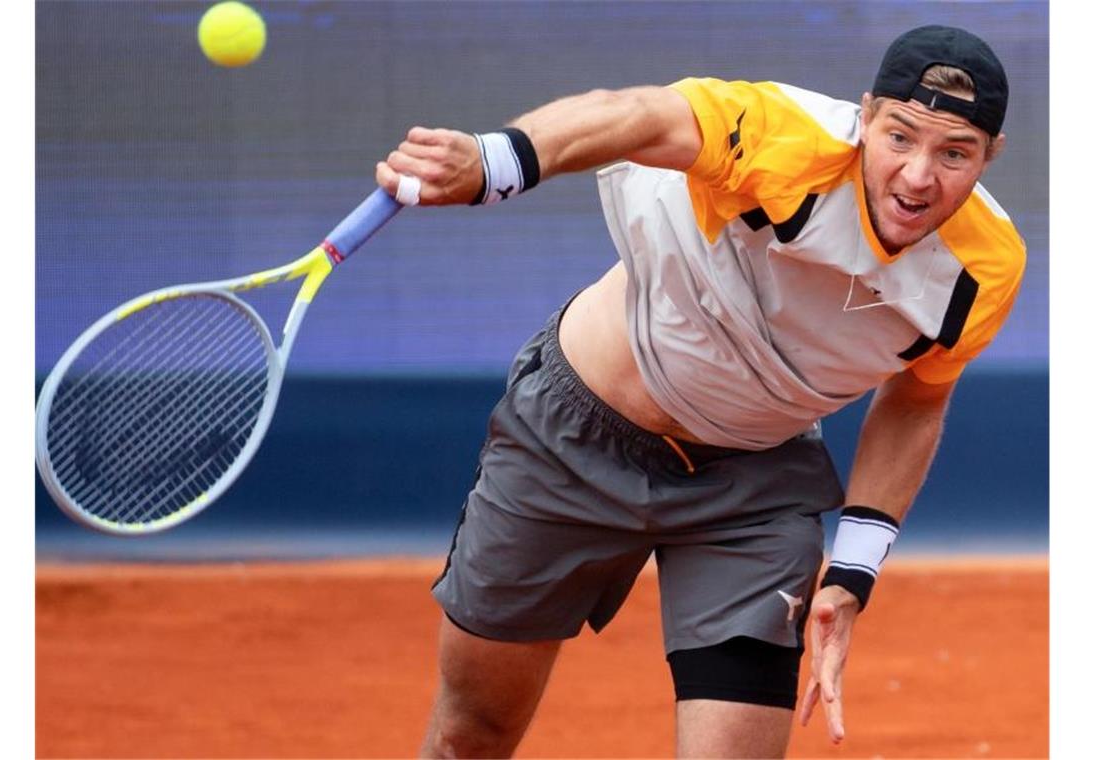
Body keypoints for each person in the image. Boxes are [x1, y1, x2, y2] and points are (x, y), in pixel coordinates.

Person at [376, 24, 1024, 758]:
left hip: (751, 490)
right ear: (865, 116)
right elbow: (639, 115)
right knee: (472, 737)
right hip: (569, 443)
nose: (917, 176)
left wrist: (852, 573)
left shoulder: (983, 270)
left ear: (988, 159)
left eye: (954, 154)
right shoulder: (786, 137)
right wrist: (497, 159)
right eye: (900, 137)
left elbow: (917, 398)